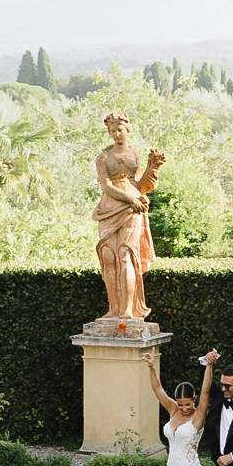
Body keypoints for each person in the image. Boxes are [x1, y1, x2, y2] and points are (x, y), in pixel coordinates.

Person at [92, 112, 165, 325]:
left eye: (120, 130)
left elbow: (140, 186)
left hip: (133, 211)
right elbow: (106, 186)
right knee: (107, 256)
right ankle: (113, 309)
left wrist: (153, 168)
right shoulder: (103, 157)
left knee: (126, 255)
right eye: (112, 131)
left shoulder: (134, 154)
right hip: (110, 208)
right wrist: (130, 199)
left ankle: (127, 310)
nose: (116, 134)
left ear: (127, 130)